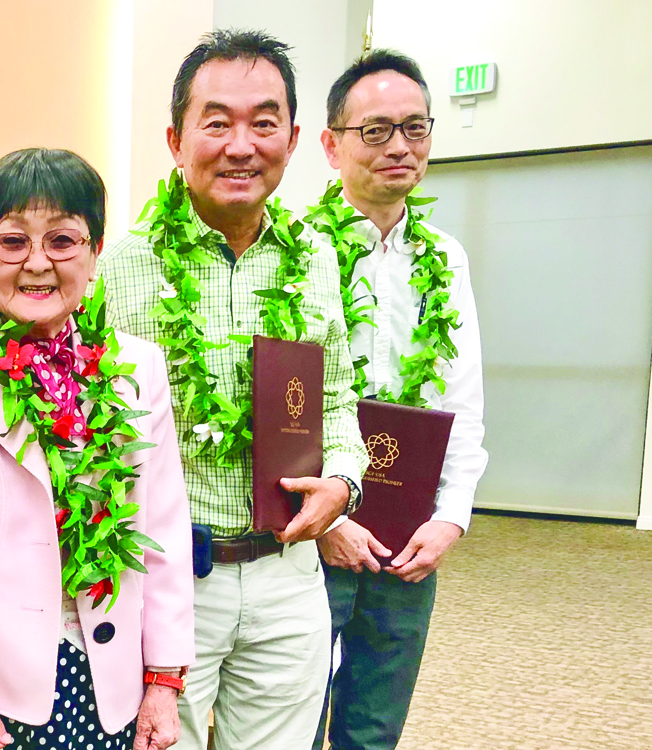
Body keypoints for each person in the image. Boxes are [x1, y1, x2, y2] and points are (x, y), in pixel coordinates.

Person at [97, 30, 370, 750]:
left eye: (264, 122)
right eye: (216, 122)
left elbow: (336, 397)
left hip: (288, 573)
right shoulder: (120, 267)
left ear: (295, 137)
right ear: (176, 139)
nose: (241, 144)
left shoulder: (315, 261)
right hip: (166, 577)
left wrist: (342, 482)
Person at [0, 148, 195, 750]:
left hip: (109, 682)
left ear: (96, 251)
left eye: (64, 241)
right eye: (13, 241)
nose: (38, 264)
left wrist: (163, 679)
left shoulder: (137, 367)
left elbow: (166, 535)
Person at [308, 49, 488, 750]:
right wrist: (320, 520)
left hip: (412, 535)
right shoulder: (294, 251)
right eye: (376, 130)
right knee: (290, 717)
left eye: (415, 129)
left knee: (376, 724)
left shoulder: (446, 258)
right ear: (331, 144)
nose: (400, 148)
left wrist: (451, 519)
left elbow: (462, 398)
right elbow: (271, 407)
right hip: (312, 533)